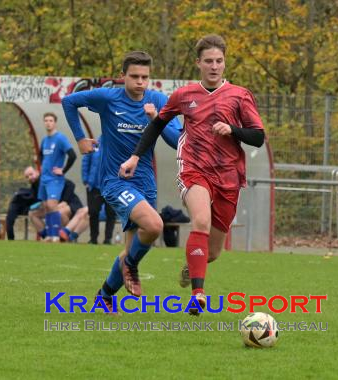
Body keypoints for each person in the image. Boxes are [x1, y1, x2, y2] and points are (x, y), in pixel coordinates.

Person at [119, 35, 266, 315]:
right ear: (198, 63)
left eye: (219, 61)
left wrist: (233, 130)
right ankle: (198, 295)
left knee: (212, 253)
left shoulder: (239, 95)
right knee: (200, 220)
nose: (214, 66)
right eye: (208, 61)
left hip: (229, 176)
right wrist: (135, 156)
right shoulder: (184, 95)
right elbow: (157, 125)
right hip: (194, 168)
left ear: (225, 63)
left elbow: (258, 137)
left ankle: (193, 267)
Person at [62, 51, 182, 313]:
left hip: (145, 184)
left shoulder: (158, 101)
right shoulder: (108, 98)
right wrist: (81, 138)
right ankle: (131, 267)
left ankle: (104, 296)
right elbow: (68, 101)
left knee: (130, 249)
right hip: (116, 181)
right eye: (135, 76)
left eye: (145, 77)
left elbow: (177, 141)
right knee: (154, 225)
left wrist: (156, 120)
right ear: (123, 77)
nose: (140, 82)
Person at [38, 112, 77, 242]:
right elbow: (40, 155)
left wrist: (63, 170)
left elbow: (72, 155)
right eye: (46, 120)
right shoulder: (44, 140)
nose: (48, 123)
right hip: (44, 178)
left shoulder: (60, 138)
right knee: (46, 206)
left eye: (50, 120)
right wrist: (41, 167)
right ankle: (49, 234)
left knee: (52, 204)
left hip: (55, 179)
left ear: (55, 123)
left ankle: (55, 235)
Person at [21, 166, 83, 239]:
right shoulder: (34, 187)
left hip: (71, 203)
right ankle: (47, 236)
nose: (30, 177)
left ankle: (64, 237)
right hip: (53, 207)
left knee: (58, 212)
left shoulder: (47, 178)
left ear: (37, 172)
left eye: (31, 174)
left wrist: (64, 201)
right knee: (32, 214)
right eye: (27, 177)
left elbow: (71, 184)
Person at [81, 136, 116, 244]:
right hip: (94, 186)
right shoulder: (94, 143)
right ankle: (93, 238)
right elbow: (85, 162)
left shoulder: (116, 143)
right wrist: (86, 180)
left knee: (111, 212)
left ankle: (108, 239)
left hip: (111, 186)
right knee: (93, 212)